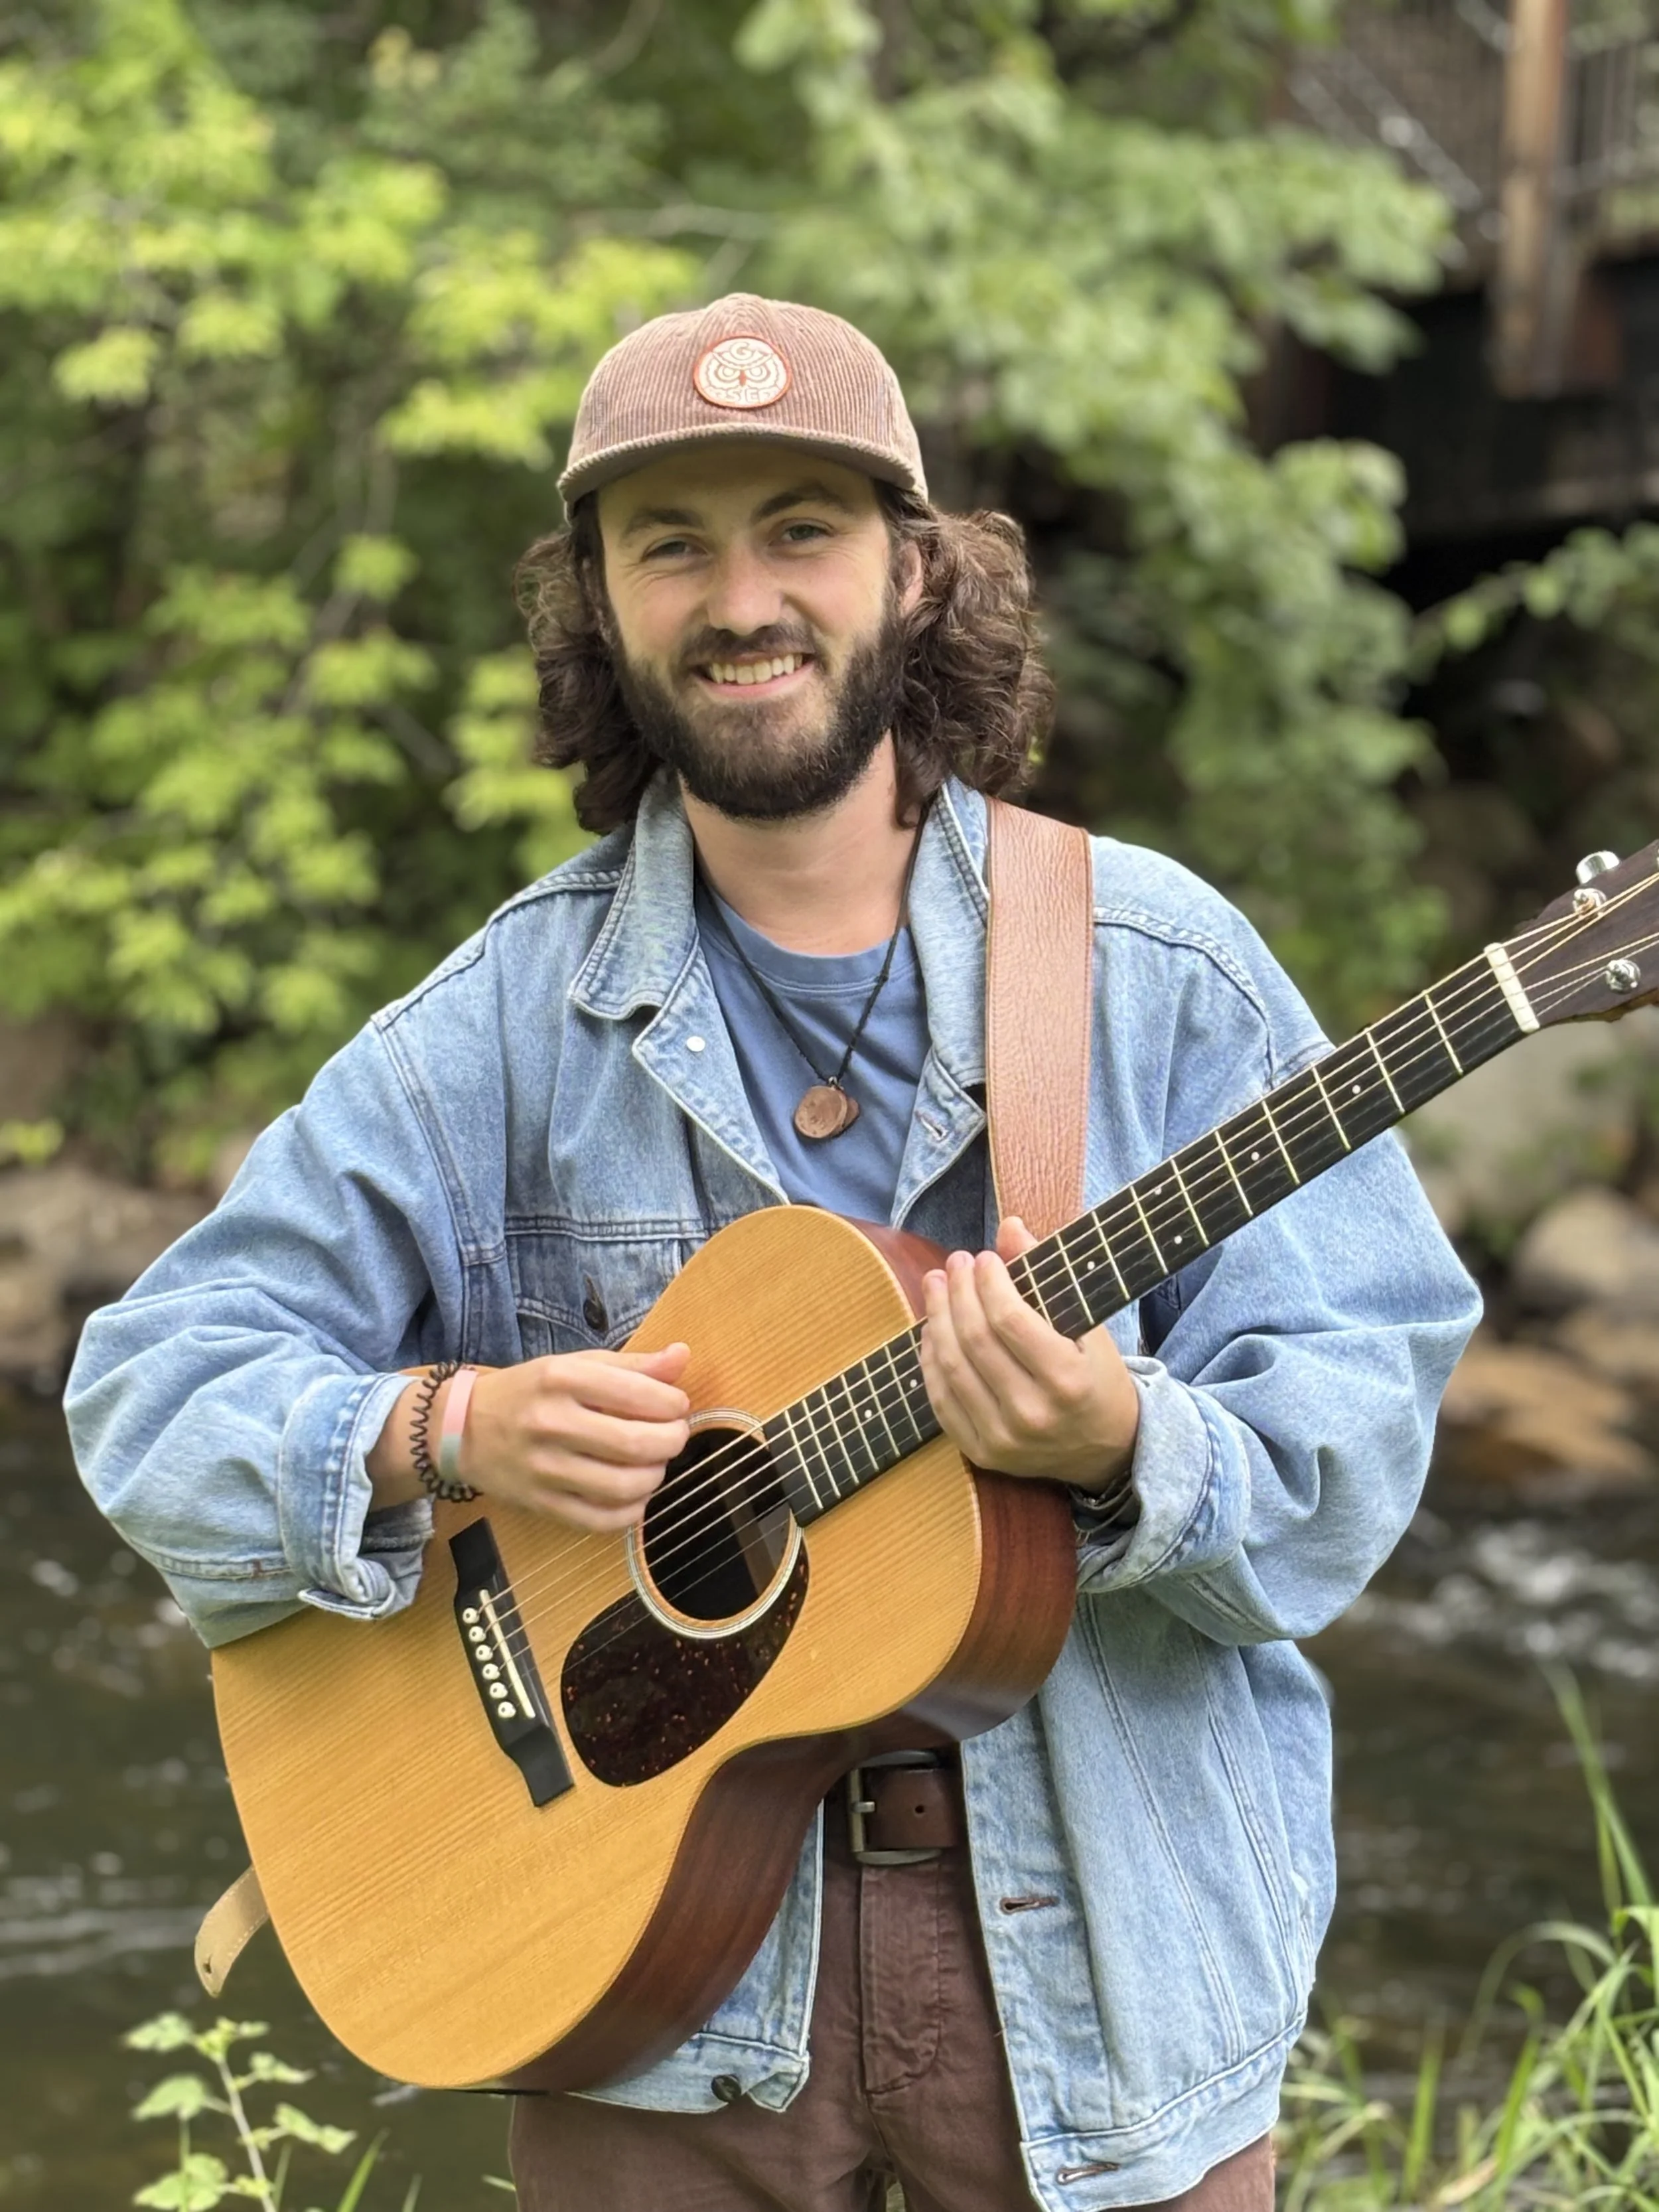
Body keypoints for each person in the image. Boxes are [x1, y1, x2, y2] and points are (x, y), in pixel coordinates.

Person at [65, 294, 1480, 2212]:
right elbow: (149, 1384)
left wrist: (1124, 1446)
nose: (744, 598)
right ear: (600, 600)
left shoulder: (1155, 971)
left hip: (1113, 1989)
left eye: (799, 530)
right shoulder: (502, 1023)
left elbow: (1352, 1436)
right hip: (643, 1998)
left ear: (913, 573)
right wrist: (445, 1424)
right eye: (674, 544)